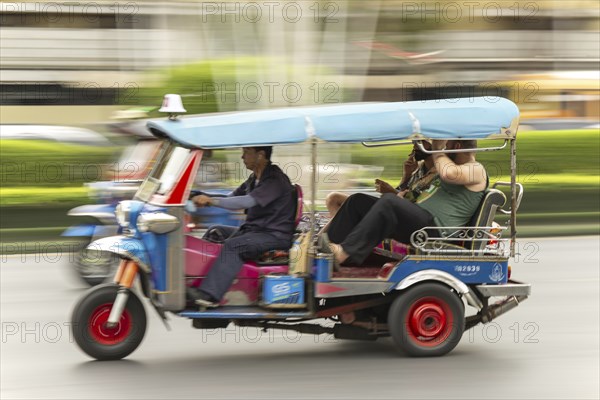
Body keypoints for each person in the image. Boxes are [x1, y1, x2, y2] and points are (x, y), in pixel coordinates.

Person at [322, 139, 487, 266]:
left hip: (434, 231)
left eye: (446, 145)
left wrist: (436, 149)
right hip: (419, 221)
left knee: (389, 202)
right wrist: (404, 189)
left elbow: (449, 173)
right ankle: (327, 248)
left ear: (457, 146)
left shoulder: (476, 169)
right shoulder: (448, 169)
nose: (443, 148)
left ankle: (345, 252)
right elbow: (420, 191)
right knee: (357, 201)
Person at [187, 146, 296, 307]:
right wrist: (197, 195)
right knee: (215, 231)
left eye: (246, 152)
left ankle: (209, 295)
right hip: (256, 231)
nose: (242, 156)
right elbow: (231, 197)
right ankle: (200, 282)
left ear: (260, 155)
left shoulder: (275, 180)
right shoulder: (254, 179)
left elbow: (245, 202)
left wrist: (210, 201)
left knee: (233, 246)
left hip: (274, 236)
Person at [325, 141, 437, 217]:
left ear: (435, 145)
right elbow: (402, 192)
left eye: (421, 142)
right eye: (415, 142)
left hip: (399, 214)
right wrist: (406, 175)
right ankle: (325, 239)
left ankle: (327, 239)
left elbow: (414, 205)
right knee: (333, 199)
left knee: (347, 200)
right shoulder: (419, 170)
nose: (415, 144)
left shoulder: (437, 175)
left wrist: (390, 191)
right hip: (390, 207)